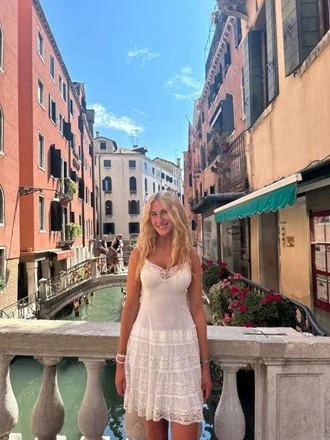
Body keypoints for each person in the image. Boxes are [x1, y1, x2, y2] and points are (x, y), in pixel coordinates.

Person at [115, 191, 211, 440]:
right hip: (147, 349)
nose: (159, 220)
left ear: (176, 213)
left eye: (164, 212)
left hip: (183, 351)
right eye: (154, 214)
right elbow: (131, 308)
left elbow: (197, 311)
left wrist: (205, 366)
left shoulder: (190, 255)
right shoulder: (139, 254)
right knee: (154, 435)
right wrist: (120, 362)